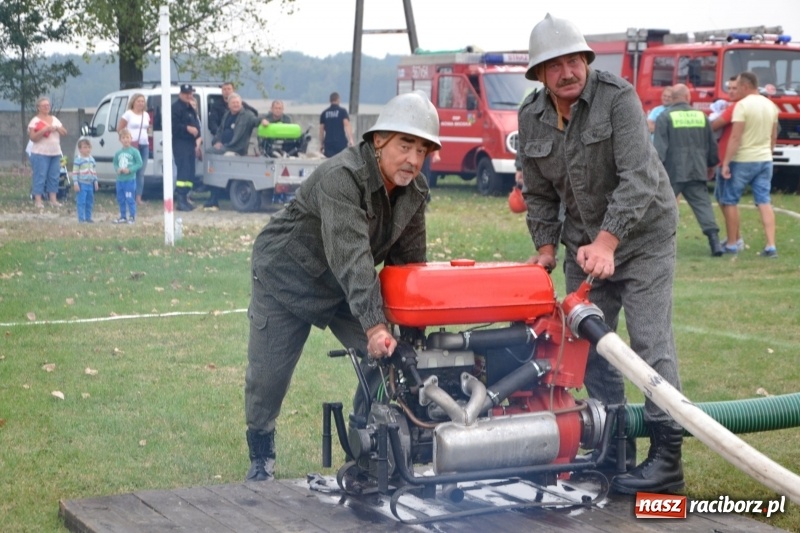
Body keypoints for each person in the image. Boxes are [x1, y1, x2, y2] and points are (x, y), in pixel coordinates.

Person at [518, 14, 683, 494]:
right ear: (539, 74)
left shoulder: (618, 97)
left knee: (650, 343)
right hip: (584, 245)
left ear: (587, 60)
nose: (568, 72)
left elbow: (640, 177)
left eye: (575, 60)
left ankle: (667, 459)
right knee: (585, 346)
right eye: (555, 65)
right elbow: (538, 192)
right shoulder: (530, 116)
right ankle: (613, 448)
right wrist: (545, 249)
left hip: (644, 238)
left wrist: (609, 242)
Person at [243, 90, 440, 482]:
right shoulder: (342, 176)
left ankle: (367, 444)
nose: (413, 160)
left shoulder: (415, 191)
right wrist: (374, 325)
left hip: (345, 286)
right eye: (405, 146)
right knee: (269, 377)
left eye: (422, 151)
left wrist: (407, 331)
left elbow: (408, 264)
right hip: (287, 276)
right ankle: (261, 457)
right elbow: (352, 255)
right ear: (379, 140)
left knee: (388, 359)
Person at [654, 84, 724, 256]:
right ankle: (715, 242)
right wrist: (711, 165)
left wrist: (655, 171)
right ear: (687, 97)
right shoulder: (701, 116)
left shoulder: (665, 116)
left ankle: (657, 244)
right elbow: (711, 144)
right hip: (697, 169)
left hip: (673, 172)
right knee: (703, 206)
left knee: (661, 207)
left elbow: (659, 148)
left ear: (672, 98)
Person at [720, 71, 780, 258]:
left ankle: (732, 243)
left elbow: (735, 137)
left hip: (743, 159)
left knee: (730, 200)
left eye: (737, 86)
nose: (735, 89)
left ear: (745, 87)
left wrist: (726, 162)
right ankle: (771, 245)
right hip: (765, 159)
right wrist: (769, 154)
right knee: (764, 201)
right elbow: (773, 136)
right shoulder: (771, 105)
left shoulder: (742, 106)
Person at [204, 93, 260, 210]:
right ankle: (212, 194)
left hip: (235, 147)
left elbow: (256, 121)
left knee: (210, 154)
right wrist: (217, 141)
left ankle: (213, 195)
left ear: (241, 103)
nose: (236, 105)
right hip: (224, 146)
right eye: (233, 103)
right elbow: (220, 131)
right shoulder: (227, 115)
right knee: (209, 153)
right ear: (229, 105)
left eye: (238, 103)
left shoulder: (247, 115)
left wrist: (265, 121)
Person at [711, 77, 745, 252]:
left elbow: (715, 124)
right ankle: (734, 237)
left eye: (734, 88)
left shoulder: (736, 107)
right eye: (729, 88)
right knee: (721, 198)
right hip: (724, 157)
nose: (730, 91)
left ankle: (735, 241)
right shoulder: (733, 106)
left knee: (728, 200)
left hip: (729, 159)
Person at [28, 97, 68, 209]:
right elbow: (33, 138)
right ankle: (38, 200)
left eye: (48, 105)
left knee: (54, 176)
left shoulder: (54, 119)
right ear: (38, 108)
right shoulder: (35, 121)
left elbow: (65, 132)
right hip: (40, 153)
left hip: (55, 153)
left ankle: (53, 200)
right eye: (44, 105)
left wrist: (57, 128)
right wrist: (44, 130)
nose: (46, 107)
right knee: (40, 176)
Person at [172, 84, 203, 211]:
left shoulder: (190, 108)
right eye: (186, 93)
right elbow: (173, 126)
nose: (188, 96)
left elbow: (196, 124)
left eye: (190, 93)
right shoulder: (175, 108)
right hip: (181, 143)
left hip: (191, 144)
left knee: (190, 173)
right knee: (183, 172)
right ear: (180, 94)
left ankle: (186, 198)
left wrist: (197, 140)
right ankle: (180, 200)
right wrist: (186, 128)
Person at [118, 93, 151, 206]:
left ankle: (138, 198)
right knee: (130, 170)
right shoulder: (128, 114)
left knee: (140, 172)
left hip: (144, 145)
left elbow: (148, 129)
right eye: (138, 101)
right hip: (132, 145)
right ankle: (129, 195)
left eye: (142, 101)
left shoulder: (146, 115)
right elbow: (120, 128)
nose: (141, 103)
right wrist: (126, 140)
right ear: (133, 102)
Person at [113, 128, 143, 224]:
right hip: (120, 180)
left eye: (127, 137)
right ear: (120, 140)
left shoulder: (134, 151)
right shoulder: (118, 153)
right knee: (121, 199)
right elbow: (115, 163)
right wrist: (117, 169)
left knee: (130, 198)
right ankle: (123, 216)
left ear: (131, 138)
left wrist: (130, 170)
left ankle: (132, 217)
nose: (125, 140)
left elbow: (139, 163)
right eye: (123, 138)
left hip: (130, 180)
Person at [319, 91, 355, 157]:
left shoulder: (324, 113)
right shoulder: (342, 111)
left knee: (330, 161)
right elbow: (347, 125)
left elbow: (321, 130)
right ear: (338, 99)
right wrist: (351, 139)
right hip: (340, 143)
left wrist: (321, 144)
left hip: (328, 144)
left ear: (330, 100)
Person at [72, 139, 98, 223]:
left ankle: (88, 217)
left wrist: (95, 181)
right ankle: (81, 218)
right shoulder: (78, 160)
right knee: (81, 201)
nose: (87, 149)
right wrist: (75, 183)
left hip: (90, 184)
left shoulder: (92, 159)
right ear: (80, 149)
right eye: (85, 147)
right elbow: (75, 172)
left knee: (89, 201)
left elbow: (94, 171)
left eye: (89, 147)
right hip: (82, 184)